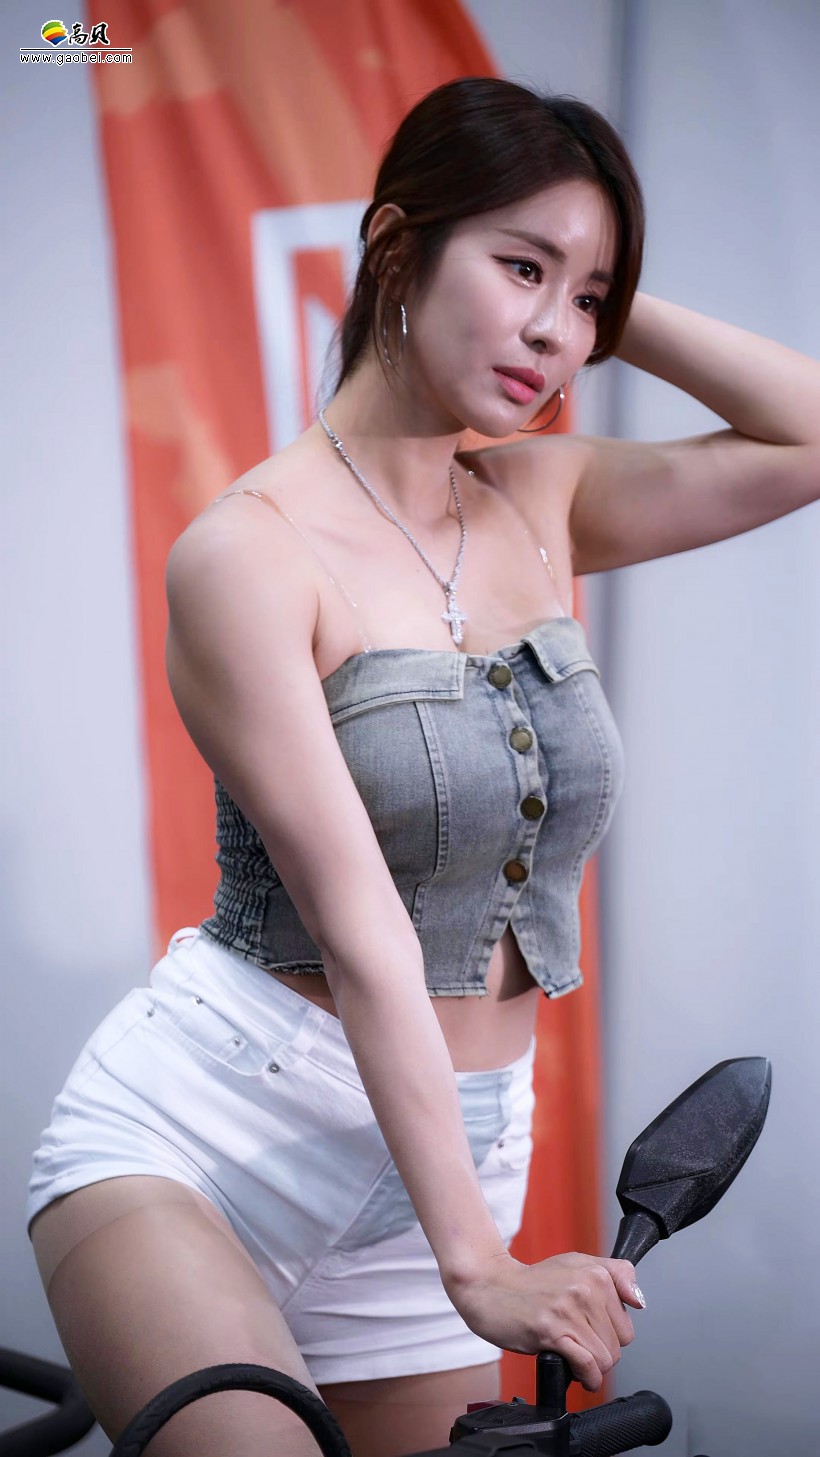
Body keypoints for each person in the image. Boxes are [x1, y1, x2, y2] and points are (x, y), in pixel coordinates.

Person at [26, 76, 820, 1457]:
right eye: (520, 267)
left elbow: (807, 434)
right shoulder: (248, 554)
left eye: (587, 299)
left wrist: (602, 289)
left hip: (445, 1165)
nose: (555, 332)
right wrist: (478, 1265)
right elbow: (360, 924)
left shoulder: (539, 497)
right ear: (397, 247)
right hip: (207, 1144)